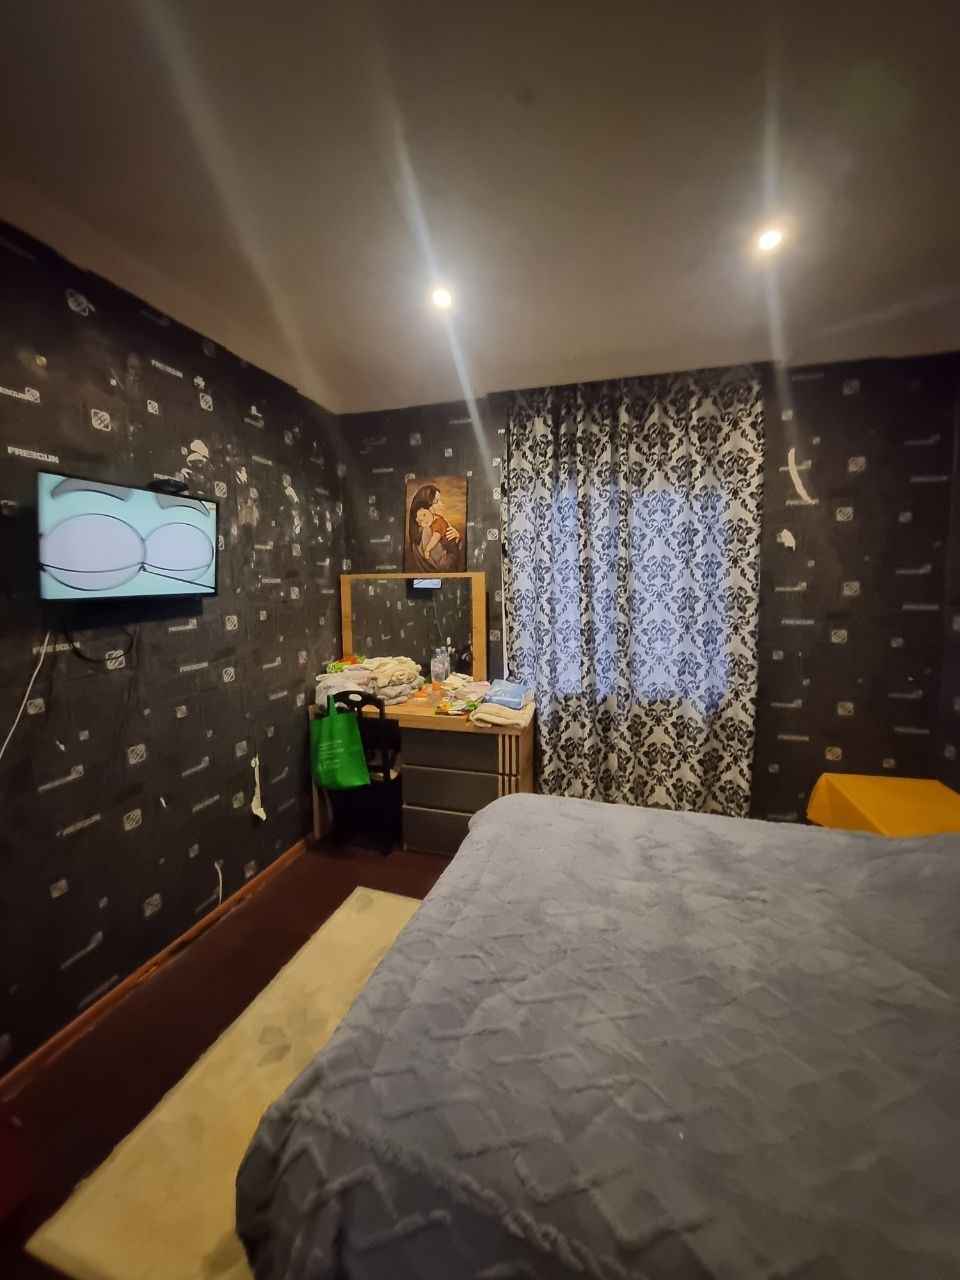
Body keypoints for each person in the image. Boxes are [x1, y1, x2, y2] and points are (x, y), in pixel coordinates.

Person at [408, 484, 461, 569]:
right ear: (425, 508)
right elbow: (444, 566)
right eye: (436, 502)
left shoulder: (437, 520)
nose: (442, 504)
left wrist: (457, 537)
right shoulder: (427, 532)